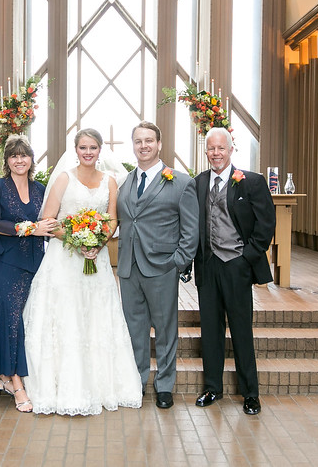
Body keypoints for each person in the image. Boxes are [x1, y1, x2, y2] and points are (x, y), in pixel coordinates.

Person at [22, 128, 142, 416]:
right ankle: (63, 386)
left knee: (96, 317)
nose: (88, 152)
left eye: (93, 147)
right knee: (67, 317)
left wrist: (98, 242)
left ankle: (101, 386)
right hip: (64, 260)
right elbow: (48, 219)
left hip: (95, 259)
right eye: (83, 147)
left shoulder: (110, 181)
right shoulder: (64, 178)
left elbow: (112, 218)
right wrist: (76, 239)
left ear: (100, 150)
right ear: (75, 150)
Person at [192, 127, 275, 415]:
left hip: (236, 265)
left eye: (221, 148)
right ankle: (212, 388)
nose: (216, 153)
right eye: (211, 149)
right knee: (210, 331)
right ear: (206, 152)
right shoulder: (199, 182)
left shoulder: (251, 182)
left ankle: (250, 393)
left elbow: (266, 226)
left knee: (241, 329)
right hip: (208, 265)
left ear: (230, 150)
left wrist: (246, 257)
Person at [116, 121, 199, 409]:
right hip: (128, 268)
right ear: (133, 145)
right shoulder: (126, 181)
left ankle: (164, 385)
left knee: (165, 330)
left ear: (159, 144)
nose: (143, 146)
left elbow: (191, 231)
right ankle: (137, 381)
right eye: (138, 141)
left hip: (162, 267)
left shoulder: (180, 181)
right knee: (134, 329)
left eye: (149, 140)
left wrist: (178, 262)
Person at [0, 135, 57, 413]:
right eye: (13, 156)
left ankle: (3, 376)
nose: (19, 160)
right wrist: (33, 228)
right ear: (7, 160)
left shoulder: (41, 189)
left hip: (34, 264)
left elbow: (49, 220)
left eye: (24, 155)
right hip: (4, 264)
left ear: (32, 159)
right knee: (10, 321)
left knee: (25, 320)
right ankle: (17, 384)